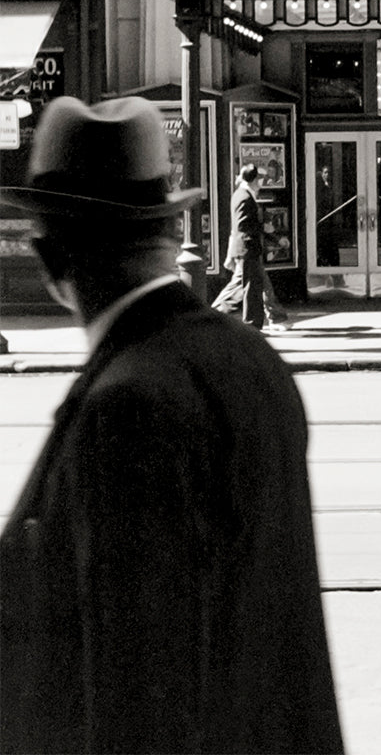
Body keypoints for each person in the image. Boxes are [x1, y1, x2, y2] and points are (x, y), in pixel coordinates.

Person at [0, 96, 343, 754]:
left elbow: (137, 691)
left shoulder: (126, 406)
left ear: (51, 262)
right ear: (164, 229)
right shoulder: (250, 359)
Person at [213, 163, 287, 332]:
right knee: (248, 287)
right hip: (247, 249)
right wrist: (264, 229)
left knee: (251, 284)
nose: (261, 183)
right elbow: (243, 226)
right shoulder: (244, 197)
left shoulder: (243, 194)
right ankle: (247, 323)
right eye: (259, 179)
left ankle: (269, 318)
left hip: (246, 249)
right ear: (253, 180)